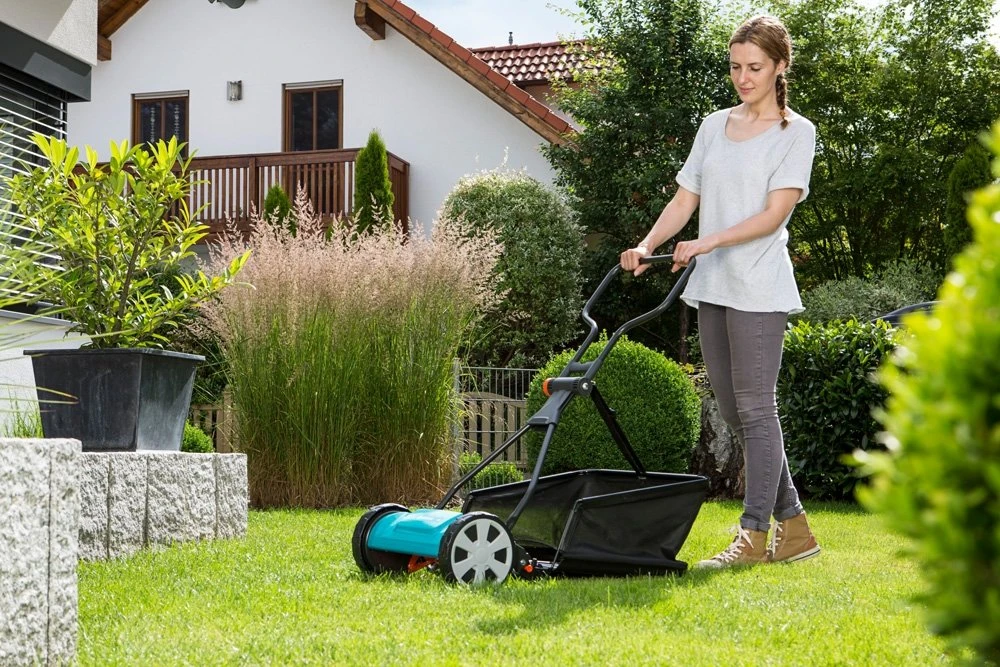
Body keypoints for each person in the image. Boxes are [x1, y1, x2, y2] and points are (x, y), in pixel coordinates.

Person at [620, 15, 820, 568]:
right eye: (735, 67)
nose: (743, 77)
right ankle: (796, 527)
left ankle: (752, 536)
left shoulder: (795, 133)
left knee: (757, 409)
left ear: (780, 66)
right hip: (714, 284)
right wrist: (647, 243)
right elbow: (685, 198)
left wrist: (707, 241)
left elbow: (773, 215)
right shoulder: (714, 125)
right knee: (735, 412)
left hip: (759, 284)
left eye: (754, 67)